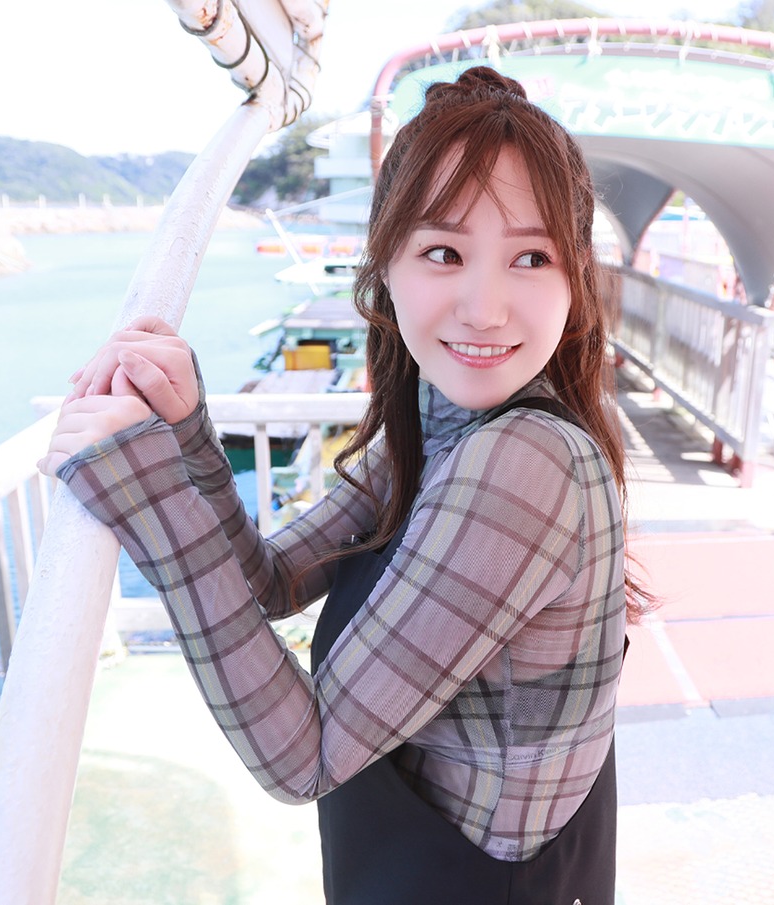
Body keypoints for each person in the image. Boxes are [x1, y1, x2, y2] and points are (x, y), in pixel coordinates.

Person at [41, 65, 651, 905]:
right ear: (387, 265)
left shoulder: (529, 461)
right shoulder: (438, 421)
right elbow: (271, 579)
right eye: (444, 252)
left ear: (574, 279)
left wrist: (145, 492)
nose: (485, 307)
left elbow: (305, 757)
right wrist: (186, 435)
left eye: (531, 257)